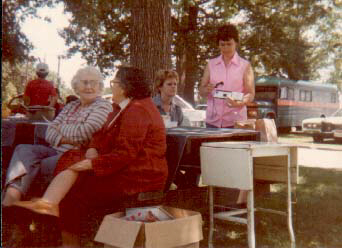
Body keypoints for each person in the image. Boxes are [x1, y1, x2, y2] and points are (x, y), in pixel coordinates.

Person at [13, 66, 168, 247]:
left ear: (126, 88)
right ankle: (53, 217)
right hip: (124, 169)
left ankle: (70, 242)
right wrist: (93, 148)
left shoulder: (138, 110)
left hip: (139, 176)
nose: (112, 87)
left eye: (114, 83)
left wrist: (91, 165)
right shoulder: (122, 107)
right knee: (73, 161)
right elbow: (100, 134)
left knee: (75, 194)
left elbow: (126, 154)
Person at [2, 66, 113, 206]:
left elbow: (86, 131)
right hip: (55, 150)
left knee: (35, 164)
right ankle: (12, 198)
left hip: (73, 155)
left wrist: (60, 131)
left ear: (100, 86)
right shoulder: (72, 105)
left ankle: (13, 206)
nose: (89, 87)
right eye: (84, 82)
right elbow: (50, 132)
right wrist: (66, 136)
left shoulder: (103, 106)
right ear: (76, 86)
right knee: (23, 149)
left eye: (94, 83)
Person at [199, 24, 255, 128]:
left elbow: (250, 94)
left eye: (229, 44)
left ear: (236, 43)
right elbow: (201, 91)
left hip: (236, 123)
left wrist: (239, 102)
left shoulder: (245, 66)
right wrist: (206, 89)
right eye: (222, 44)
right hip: (212, 122)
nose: (225, 48)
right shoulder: (211, 64)